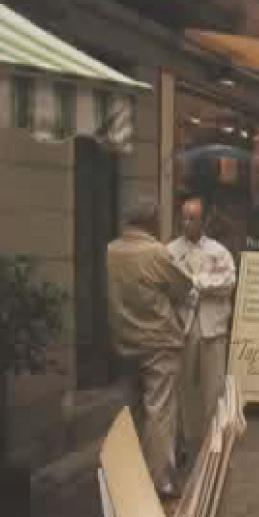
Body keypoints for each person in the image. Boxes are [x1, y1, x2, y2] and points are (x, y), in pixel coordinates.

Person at [107, 200, 194, 496]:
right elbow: (184, 285)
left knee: (133, 409)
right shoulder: (156, 252)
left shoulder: (112, 250)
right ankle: (161, 480)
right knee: (160, 410)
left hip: (126, 339)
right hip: (159, 341)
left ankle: (132, 474)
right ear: (151, 220)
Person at [169, 195, 237, 461]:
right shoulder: (171, 251)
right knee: (185, 385)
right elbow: (169, 284)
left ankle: (213, 439)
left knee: (213, 385)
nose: (187, 223)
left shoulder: (218, 251)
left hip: (213, 325)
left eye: (193, 218)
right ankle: (188, 437)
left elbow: (229, 281)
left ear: (203, 220)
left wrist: (198, 283)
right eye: (184, 218)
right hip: (184, 326)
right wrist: (193, 285)